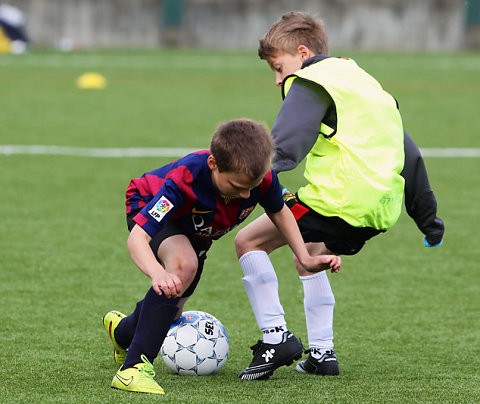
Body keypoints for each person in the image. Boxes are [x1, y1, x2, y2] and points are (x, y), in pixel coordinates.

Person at [235, 11, 445, 380]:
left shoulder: (311, 81)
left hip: (338, 200)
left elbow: (283, 149)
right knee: (310, 254)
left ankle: (275, 338)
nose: (278, 79)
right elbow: (409, 154)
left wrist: (242, 184)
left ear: (302, 53)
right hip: (380, 209)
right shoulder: (366, 85)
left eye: (278, 66)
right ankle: (322, 354)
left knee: (249, 243)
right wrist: (428, 219)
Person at [102, 118, 341, 395]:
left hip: (195, 231)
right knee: (183, 266)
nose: (245, 194)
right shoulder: (184, 180)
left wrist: (305, 256)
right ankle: (132, 370)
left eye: (251, 186)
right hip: (147, 204)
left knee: (171, 310)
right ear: (214, 164)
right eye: (237, 186)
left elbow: (279, 210)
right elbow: (138, 238)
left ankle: (121, 332)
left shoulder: (258, 177)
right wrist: (157, 273)